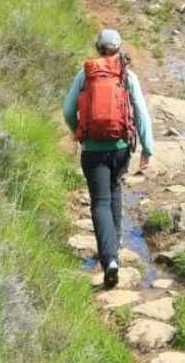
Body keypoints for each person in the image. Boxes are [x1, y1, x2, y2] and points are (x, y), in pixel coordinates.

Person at [63, 28, 153, 289]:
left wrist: (78, 132)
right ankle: (114, 246)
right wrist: (147, 149)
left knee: (100, 202)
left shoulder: (85, 74)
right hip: (121, 147)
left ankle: (109, 259)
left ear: (97, 47)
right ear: (119, 47)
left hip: (93, 148)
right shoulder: (127, 75)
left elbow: (68, 110)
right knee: (115, 189)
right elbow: (141, 113)